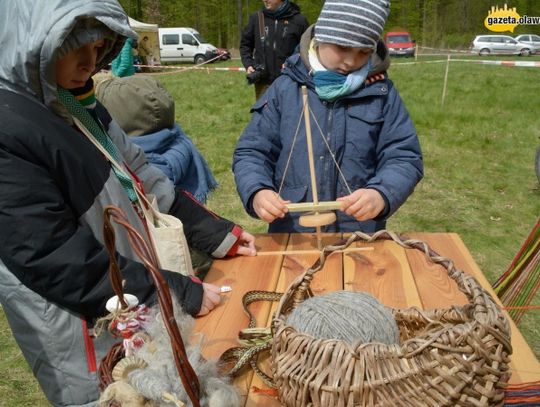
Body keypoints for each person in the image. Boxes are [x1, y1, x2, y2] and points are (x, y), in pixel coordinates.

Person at [0, 1, 256, 406]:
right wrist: (165, 290)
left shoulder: (75, 103)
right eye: (75, 49)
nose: (91, 63)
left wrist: (216, 232)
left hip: (131, 300)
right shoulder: (9, 126)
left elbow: (137, 173)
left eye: (99, 47)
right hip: (81, 327)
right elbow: (48, 254)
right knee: (112, 394)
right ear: (32, 47)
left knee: (157, 389)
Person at [233, 0, 424, 233]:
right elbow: (252, 152)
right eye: (342, 48)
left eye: (364, 52)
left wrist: (381, 194)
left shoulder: (381, 93)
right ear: (321, 37)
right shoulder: (285, 89)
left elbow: (404, 156)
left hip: (358, 234)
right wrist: (257, 191)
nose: (351, 61)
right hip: (293, 232)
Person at [240, 0, 309, 100]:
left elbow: (307, 49)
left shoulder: (299, 21)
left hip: (291, 81)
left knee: (288, 114)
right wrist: (248, 64)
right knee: (263, 114)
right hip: (263, 83)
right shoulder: (256, 18)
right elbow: (245, 45)